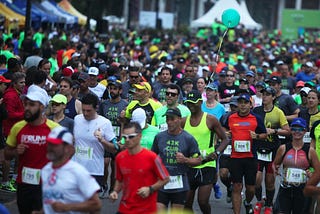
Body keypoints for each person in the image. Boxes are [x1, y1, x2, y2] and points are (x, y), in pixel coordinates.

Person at [4, 88, 59, 213]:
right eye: (26, 104)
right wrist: (15, 152)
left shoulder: (54, 129)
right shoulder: (18, 127)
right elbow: (6, 155)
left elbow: (69, 153)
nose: (27, 108)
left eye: (32, 104)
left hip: (47, 185)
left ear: (41, 107)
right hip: (24, 184)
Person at [182, 90, 229, 214]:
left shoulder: (210, 119)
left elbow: (225, 139)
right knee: (187, 203)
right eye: (188, 103)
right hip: (189, 164)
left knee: (202, 201)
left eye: (193, 103)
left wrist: (217, 153)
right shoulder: (183, 121)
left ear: (200, 102)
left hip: (207, 164)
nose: (191, 106)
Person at [109, 122, 170, 214]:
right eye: (125, 137)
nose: (127, 140)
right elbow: (119, 180)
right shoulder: (120, 158)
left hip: (146, 210)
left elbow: (165, 178)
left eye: (131, 136)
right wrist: (115, 192)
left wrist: (150, 189)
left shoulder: (152, 157)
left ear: (140, 136)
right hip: (125, 208)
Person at [39, 126, 101, 214]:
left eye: (55, 145)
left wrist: (66, 207)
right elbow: (49, 202)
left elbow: (96, 205)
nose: (50, 148)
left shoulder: (78, 171)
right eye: (49, 144)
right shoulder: (45, 170)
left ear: (67, 148)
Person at [223, 94, 267, 214]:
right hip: (235, 157)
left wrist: (257, 136)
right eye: (240, 102)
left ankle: (247, 202)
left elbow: (265, 135)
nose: (242, 105)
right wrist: (226, 133)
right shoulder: (231, 118)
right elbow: (223, 129)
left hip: (250, 157)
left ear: (250, 104)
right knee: (237, 186)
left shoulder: (256, 118)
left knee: (250, 189)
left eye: (245, 102)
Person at [152, 108, 201, 212]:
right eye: (167, 119)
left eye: (172, 119)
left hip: (180, 185)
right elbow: (152, 157)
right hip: (162, 183)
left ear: (179, 119)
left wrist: (185, 160)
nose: (169, 122)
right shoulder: (159, 137)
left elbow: (198, 160)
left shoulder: (188, 138)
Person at [252, 87, 290, 214]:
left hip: (272, 149)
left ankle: (269, 204)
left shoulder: (278, 112)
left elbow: (287, 131)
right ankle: (259, 200)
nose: (264, 97)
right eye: (263, 94)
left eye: (268, 95)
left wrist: (274, 131)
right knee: (256, 179)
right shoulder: (256, 111)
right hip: (258, 148)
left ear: (273, 97)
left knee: (269, 181)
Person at [273, 118, 319, 214]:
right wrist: (275, 169)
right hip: (285, 189)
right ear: (290, 130)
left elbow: (318, 171)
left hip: (302, 190)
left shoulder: (310, 151)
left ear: (305, 131)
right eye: (294, 129)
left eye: (300, 129)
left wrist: (311, 176)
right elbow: (275, 164)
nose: (297, 132)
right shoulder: (283, 148)